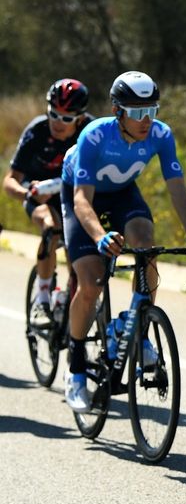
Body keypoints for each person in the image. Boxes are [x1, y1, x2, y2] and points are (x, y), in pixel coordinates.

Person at [61, 71, 186, 412]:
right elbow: (81, 201)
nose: (146, 120)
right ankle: (75, 369)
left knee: (145, 244)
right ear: (117, 111)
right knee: (90, 282)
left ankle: (139, 329)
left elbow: (177, 190)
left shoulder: (161, 135)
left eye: (152, 110)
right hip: (83, 197)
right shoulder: (94, 135)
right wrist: (99, 236)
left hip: (122, 194)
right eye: (137, 113)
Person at [3, 79, 93, 326]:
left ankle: (73, 299)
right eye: (53, 114)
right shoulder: (38, 131)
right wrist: (27, 194)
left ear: (80, 117)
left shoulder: (91, 132)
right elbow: (10, 181)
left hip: (76, 197)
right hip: (41, 197)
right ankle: (42, 300)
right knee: (50, 225)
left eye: (66, 118)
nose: (57, 123)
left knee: (83, 254)